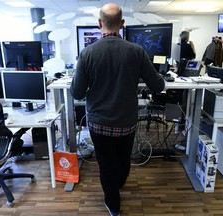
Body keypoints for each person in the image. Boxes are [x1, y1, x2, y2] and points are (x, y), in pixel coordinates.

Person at [70, 3, 165, 216]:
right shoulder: (137, 52)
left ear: (99, 24)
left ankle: (113, 206)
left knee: (106, 164)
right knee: (123, 160)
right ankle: (118, 184)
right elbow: (158, 86)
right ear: (122, 24)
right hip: (126, 122)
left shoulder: (87, 53)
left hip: (99, 123)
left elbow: (76, 93)